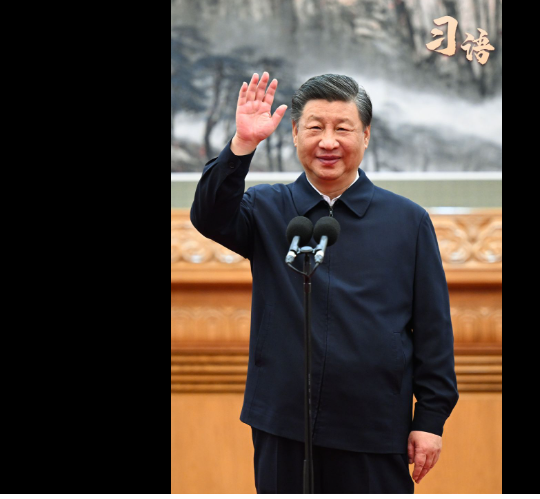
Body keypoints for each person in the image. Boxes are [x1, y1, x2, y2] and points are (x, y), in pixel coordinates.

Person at [191, 72, 459, 494]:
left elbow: (433, 330)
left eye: (343, 129)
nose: (328, 142)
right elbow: (208, 216)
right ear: (295, 133)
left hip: (375, 425)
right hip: (284, 423)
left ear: (365, 135)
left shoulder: (407, 220)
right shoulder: (266, 207)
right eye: (315, 127)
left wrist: (430, 420)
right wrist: (242, 144)